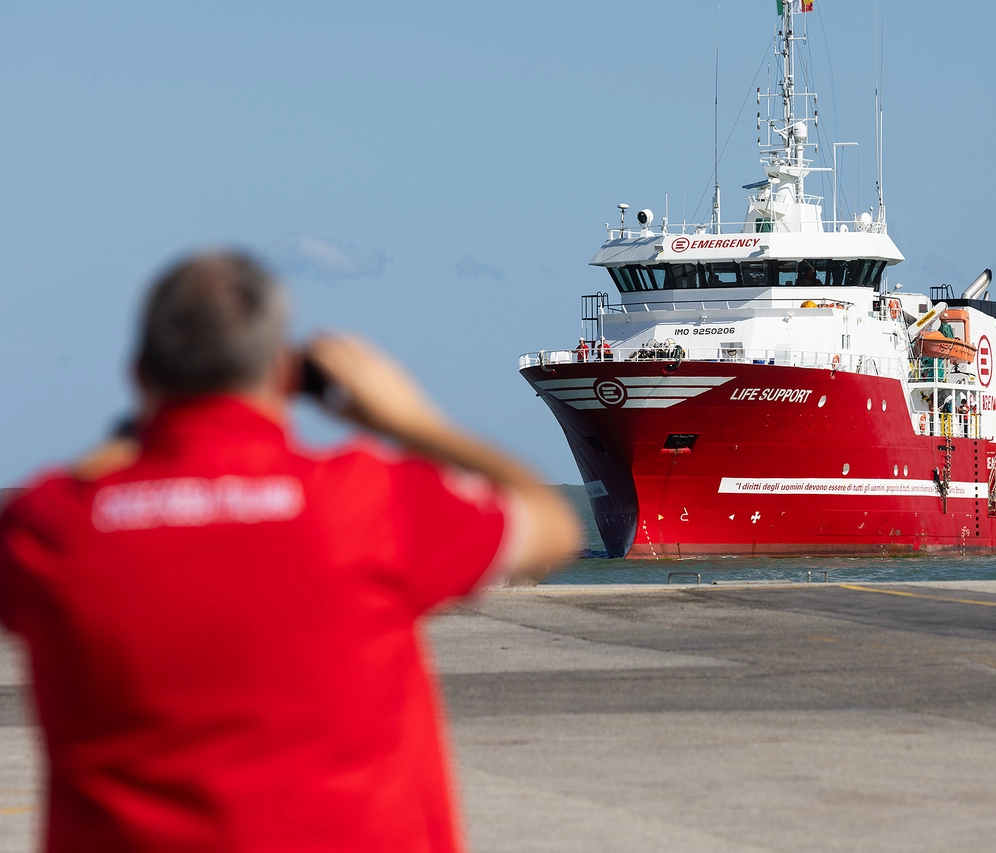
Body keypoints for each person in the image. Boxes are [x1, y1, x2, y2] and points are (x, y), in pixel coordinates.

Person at [0, 252, 582, 852]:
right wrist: (409, 419)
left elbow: (67, 510)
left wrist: (124, 454)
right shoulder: (362, 502)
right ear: (285, 372)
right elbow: (552, 527)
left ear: (139, 373)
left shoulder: (51, 525)